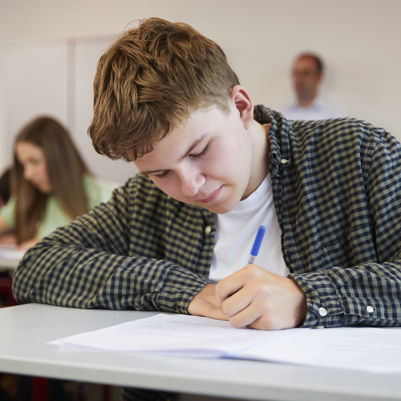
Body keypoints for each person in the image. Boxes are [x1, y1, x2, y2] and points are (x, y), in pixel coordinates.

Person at [12, 18, 401, 401]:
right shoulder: (146, 200)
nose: (189, 186)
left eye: (199, 151)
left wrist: (306, 297)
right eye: (161, 172)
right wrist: (185, 290)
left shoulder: (359, 154)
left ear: (240, 106)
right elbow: (39, 265)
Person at [0, 116, 116, 250]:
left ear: (59, 159)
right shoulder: (28, 198)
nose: (27, 174)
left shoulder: (106, 196)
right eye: (23, 165)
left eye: (34, 162)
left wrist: (49, 245)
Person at [281, 52, 346, 120]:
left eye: (306, 73)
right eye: (296, 73)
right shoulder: (281, 117)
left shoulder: (336, 117)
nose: (299, 79)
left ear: (319, 77)